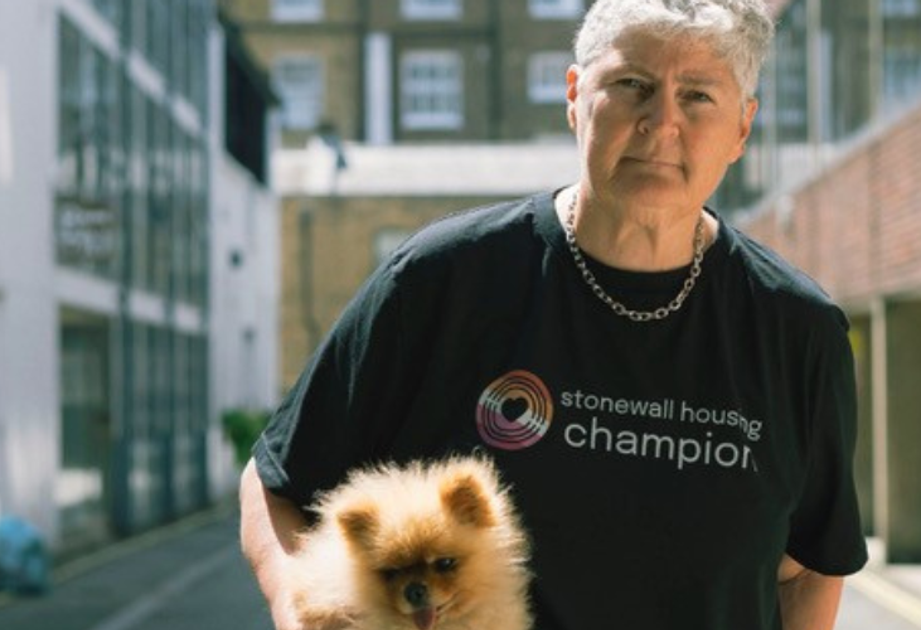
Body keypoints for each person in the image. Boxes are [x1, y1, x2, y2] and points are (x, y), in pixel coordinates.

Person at [240, 0, 867, 628]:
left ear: (743, 128)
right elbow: (276, 483)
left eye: (698, 96)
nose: (661, 122)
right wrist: (303, 615)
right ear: (575, 96)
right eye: (633, 85)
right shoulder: (443, 280)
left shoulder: (797, 331)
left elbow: (810, 567)